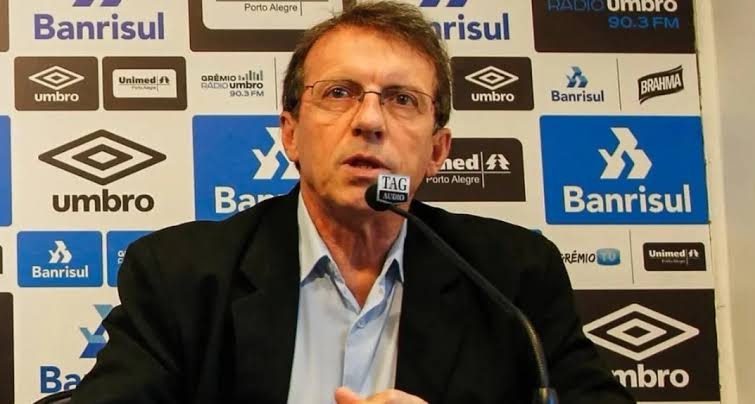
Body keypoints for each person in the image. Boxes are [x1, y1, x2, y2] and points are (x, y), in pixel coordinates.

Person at [71, 1, 634, 403]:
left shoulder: (512, 276)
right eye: (338, 93)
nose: (369, 120)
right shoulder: (182, 276)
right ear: (291, 134)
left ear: (437, 151)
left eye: (402, 99)